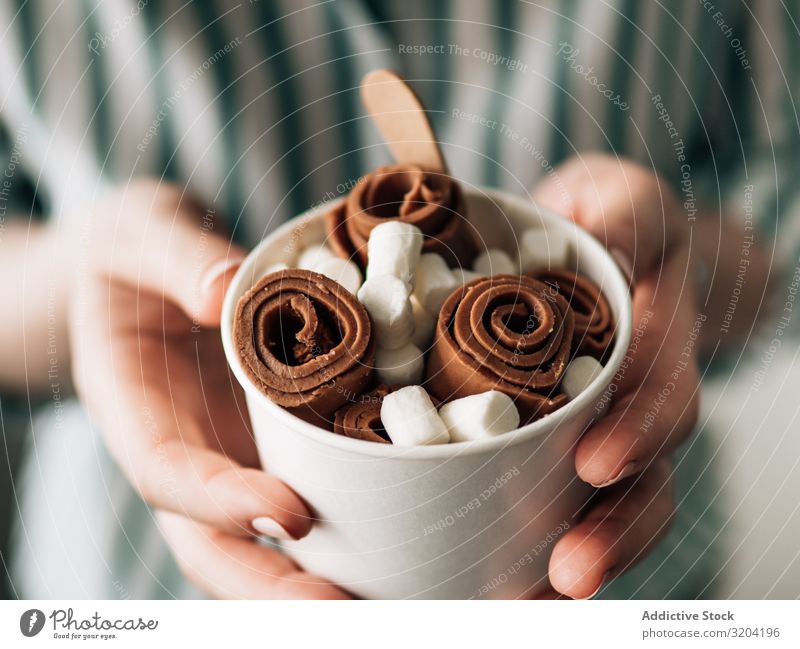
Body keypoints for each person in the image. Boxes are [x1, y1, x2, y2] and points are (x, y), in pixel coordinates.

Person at [0, 0, 795, 599]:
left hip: (595, 571)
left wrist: (686, 266)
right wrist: (79, 281)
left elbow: (783, 213)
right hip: (138, 581)